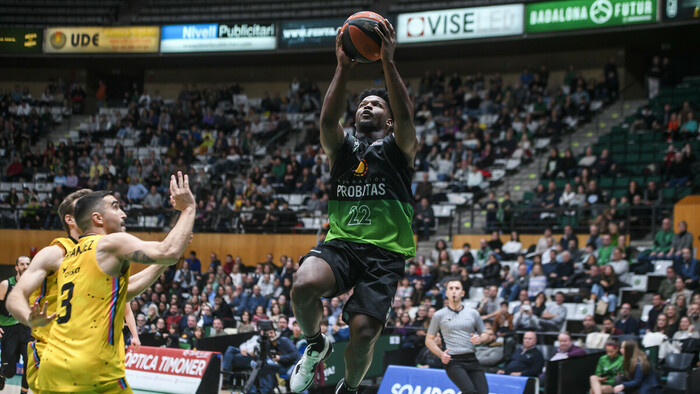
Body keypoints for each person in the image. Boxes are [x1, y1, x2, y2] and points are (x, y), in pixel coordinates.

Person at [289, 19, 418, 394]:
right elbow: (328, 120)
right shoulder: (342, 150)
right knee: (304, 282)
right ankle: (315, 346)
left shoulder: (399, 148)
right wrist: (343, 67)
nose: (368, 107)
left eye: (376, 104)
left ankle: (349, 388)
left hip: (385, 253)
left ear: (388, 119)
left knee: (363, 333)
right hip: (343, 243)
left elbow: (407, 117)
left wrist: (388, 63)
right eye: (363, 103)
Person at [32, 173, 195, 392]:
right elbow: (169, 250)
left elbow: (124, 291)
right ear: (97, 218)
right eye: (116, 207)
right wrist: (188, 208)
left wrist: (163, 262)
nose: (124, 214)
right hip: (92, 366)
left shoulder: (69, 257)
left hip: (55, 363)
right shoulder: (107, 243)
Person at [425, 279, 489, 394]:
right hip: (453, 360)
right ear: (446, 293)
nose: (454, 291)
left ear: (463, 293)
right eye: (451, 288)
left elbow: (485, 334)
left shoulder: (473, 313)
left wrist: (480, 339)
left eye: (457, 288)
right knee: (469, 391)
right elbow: (429, 340)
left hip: (472, 358)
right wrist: (441, 354)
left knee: (483, 392)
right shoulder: (439, 315)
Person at [0, 256, 32, 392]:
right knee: (9, 371)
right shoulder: (5, 284)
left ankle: (23, 392)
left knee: (29, 365)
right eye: (22, 264)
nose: (25, 266)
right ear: (16, 267)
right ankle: (2, 374)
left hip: (26, 329)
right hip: (8, 329)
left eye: (28, 264)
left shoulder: (34, 285)